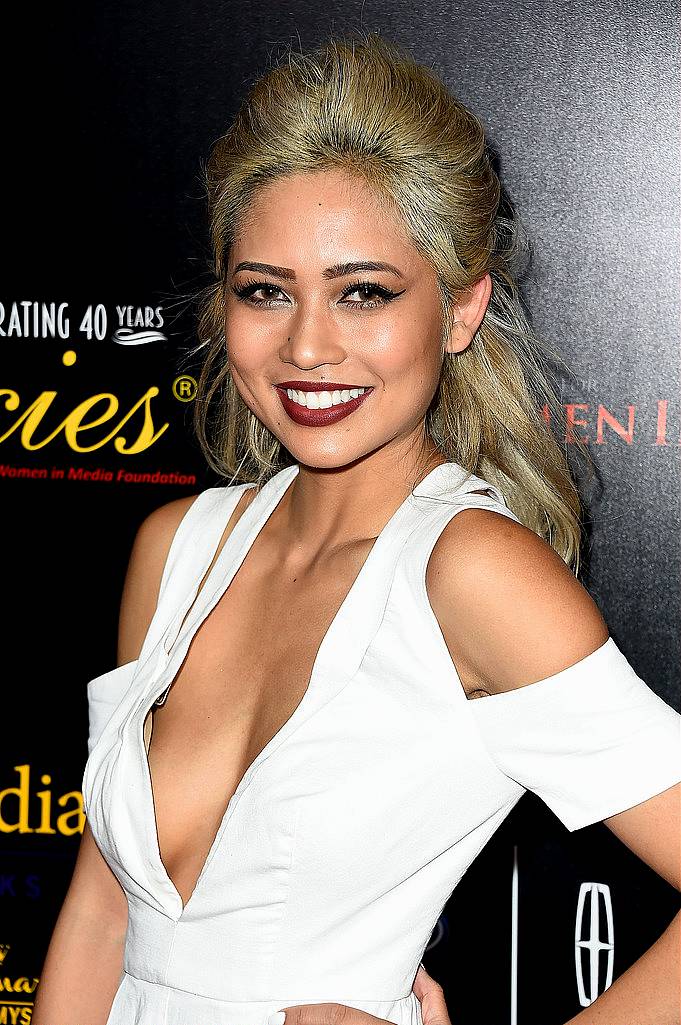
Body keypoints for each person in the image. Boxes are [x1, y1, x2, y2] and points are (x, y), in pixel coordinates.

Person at [33, 30, 680, 1025]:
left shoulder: (473, 574)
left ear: (461, 310)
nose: (306, 345)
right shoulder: (176, 548)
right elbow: (100, 912)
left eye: (363, 292)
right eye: (265, 291)